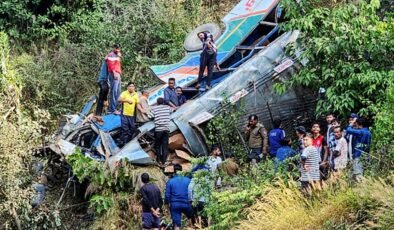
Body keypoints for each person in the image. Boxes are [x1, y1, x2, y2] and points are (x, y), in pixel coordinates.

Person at [165, 164, 194, 230]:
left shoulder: (170, 181)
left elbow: (167, 195)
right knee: (191, 220)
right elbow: (192, 191)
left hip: (175, 204)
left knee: (176, 225)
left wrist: (166, 204)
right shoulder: (188, 180)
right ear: (181, 170)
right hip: (187, 203)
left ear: (174, 171)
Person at [345, 117, 372, 181]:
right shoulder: (368, 132)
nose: (355, 125)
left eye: (356, 123)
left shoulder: (361, 132)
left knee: (358, 175)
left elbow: (348, 130)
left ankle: (360, 189)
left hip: (358, 155)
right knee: (363, 174)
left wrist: (351, 123)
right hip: (366, 155)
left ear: (359, 124)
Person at [149, 97, 173, 165]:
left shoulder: (155, 109)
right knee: (165, 146)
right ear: (163, 102)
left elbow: (149, 116)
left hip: (158, 129)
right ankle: (163, 161)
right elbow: (172, 110)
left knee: (157, 146)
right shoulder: (167, 107)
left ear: (157, 103)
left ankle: (159, 160)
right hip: (166, 129)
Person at [106, 44, 122, 113]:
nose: (118, 50)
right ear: (114, 48)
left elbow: (117, 64)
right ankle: (112, 109)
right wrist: (114, 72)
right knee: (114, 91)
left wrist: (119, 55)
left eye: (119, 49)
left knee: (118, 91)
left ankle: (115, 107)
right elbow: (110, 64)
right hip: (114, 74)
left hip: (118, 73)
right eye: (117, 48)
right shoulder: (111, 54)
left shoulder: (117, 55)